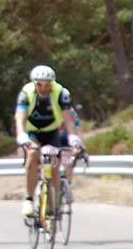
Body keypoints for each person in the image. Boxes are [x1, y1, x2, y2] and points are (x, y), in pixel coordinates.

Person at [14, 65, 84, 218]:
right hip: (32, 132)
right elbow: (20, 118)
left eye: (47, 84)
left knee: (54, 167)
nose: (43, 88)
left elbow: (68, 120)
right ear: (34, 83)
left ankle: (53, 208)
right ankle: (29, 199)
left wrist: (73, 138)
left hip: (52, 132)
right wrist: (21, 135)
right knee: (33, 155)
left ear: (52, 83)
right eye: (40, 84)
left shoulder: (61, 93)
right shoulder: (26, 93)